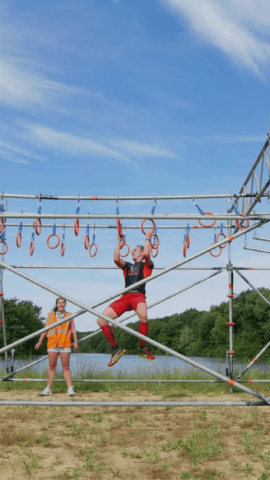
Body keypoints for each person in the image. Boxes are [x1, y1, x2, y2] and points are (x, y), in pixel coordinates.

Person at [97, 231, 155, 367]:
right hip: (125, 296)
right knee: (100, 320)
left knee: (143, 316)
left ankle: (142, 349)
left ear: (141, 253)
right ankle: (116, 349)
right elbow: (116, 259)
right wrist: (118, 241)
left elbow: (147, 254)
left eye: (135, 250)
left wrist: (148, 237)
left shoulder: (147, 265)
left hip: (138, 295)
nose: (132, 252)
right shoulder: (127, 266)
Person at [35, 297, 78, 396]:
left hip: (65, 343)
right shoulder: (50, 316)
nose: (61, 304)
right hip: (52, 343)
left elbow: (73, 329)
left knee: (66, 366)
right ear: (56, 304)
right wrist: (40, 341)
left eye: (63, 302)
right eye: (59, 302)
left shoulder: (69, 315)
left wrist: (75, 341)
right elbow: (45, 329)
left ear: (65, 304)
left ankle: (70, 388)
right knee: (51, 366)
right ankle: (48, 388)